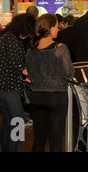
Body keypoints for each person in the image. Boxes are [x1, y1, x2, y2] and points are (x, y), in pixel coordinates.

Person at [25, 13, 74, 152]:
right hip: (57, 97)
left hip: (37, 97)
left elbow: (29, 71)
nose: (58, 29)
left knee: (39, 138)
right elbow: (69, 73)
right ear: (51, 28)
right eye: (57, 27)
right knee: (55, 140)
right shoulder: (60, 48)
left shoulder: (32, 48)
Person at [0, 13, 36, 152]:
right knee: (18, 120)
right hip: (7, 85)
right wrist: (30, 74)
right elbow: (17, 64)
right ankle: (13, 149)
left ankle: (8, 149)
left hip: (4, 85)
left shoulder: (8, 37)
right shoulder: (11, 39)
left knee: (9, 121)